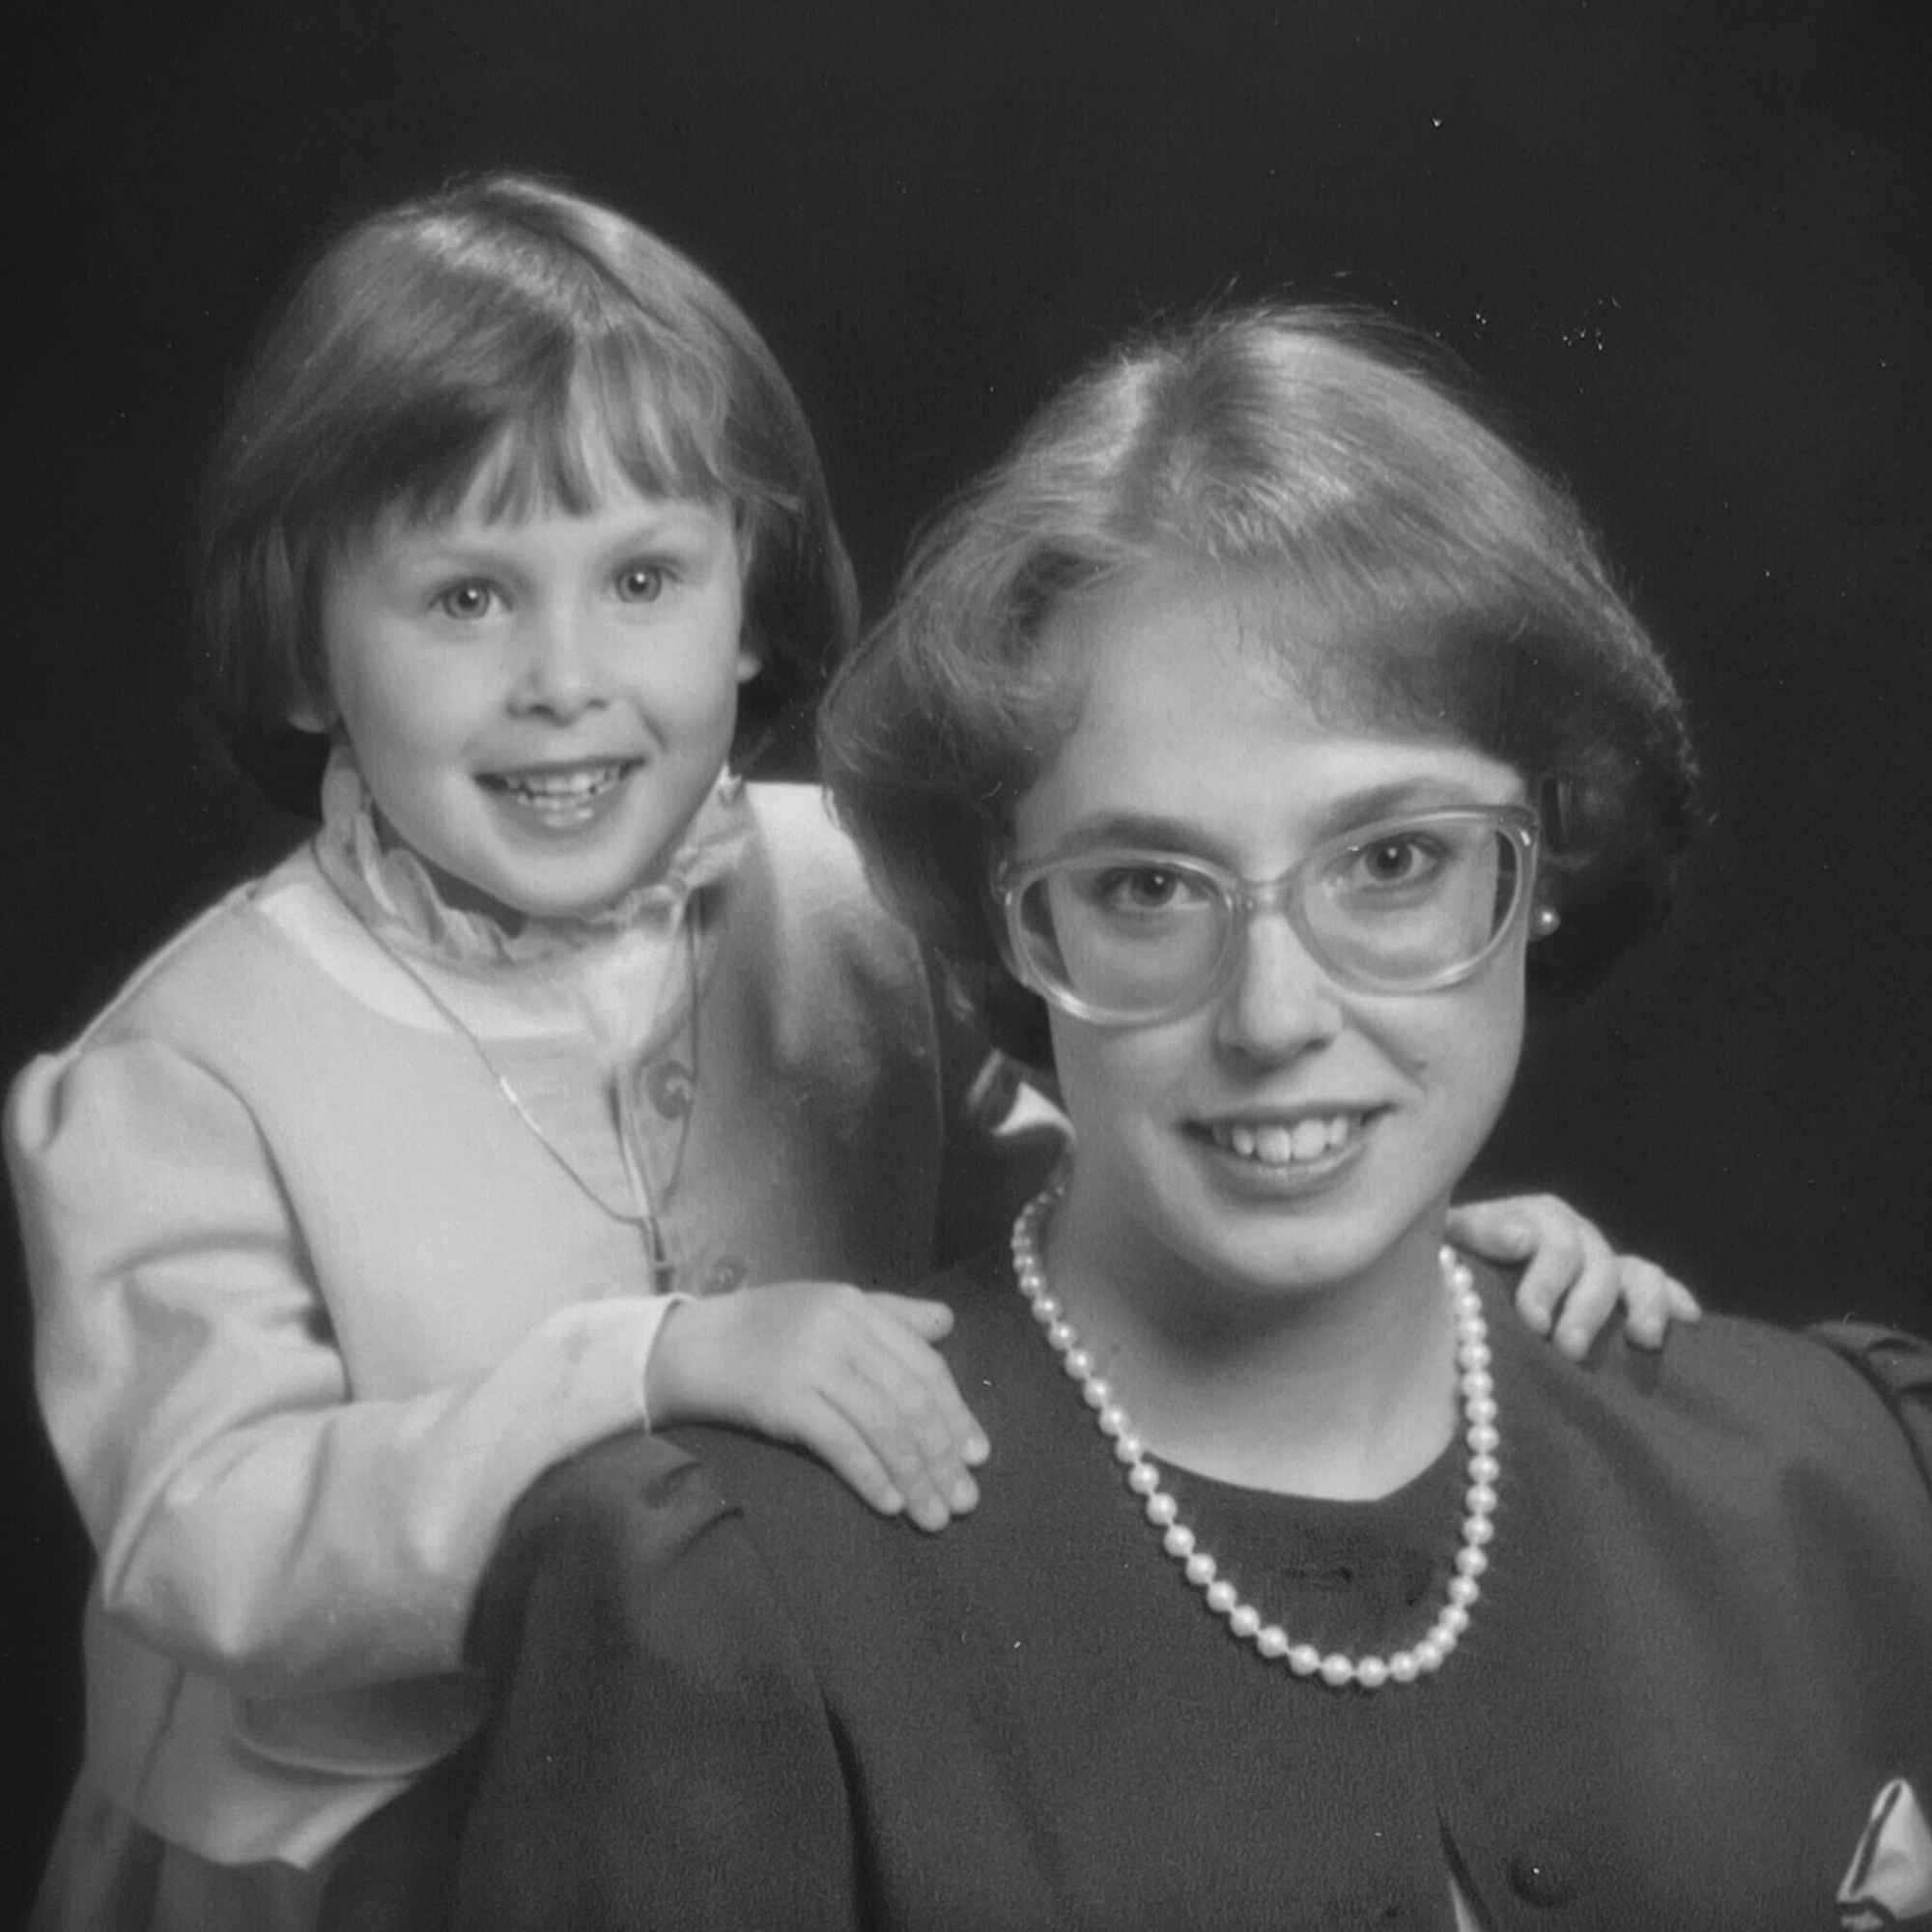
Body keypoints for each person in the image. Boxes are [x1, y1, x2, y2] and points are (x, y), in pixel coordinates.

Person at [4, 184, 1675, 1932]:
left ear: (750, 599)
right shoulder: (186, 1070)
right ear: (303, 643)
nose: (566, 678)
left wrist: (1384, 1254)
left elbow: (1093, 1207)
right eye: (468, 595)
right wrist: (643, 1369)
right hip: (360, 1863)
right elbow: (200, 1538)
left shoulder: (849, 901)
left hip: (791, 1778)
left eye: (642, 578)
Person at [451, 305, 1932, 1931]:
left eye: (1392, 861)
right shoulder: (724, 1601)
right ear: (1010, 919)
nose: (1276, 1016)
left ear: (1545, 866)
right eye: (1149, 886)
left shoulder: (1851, 1470)